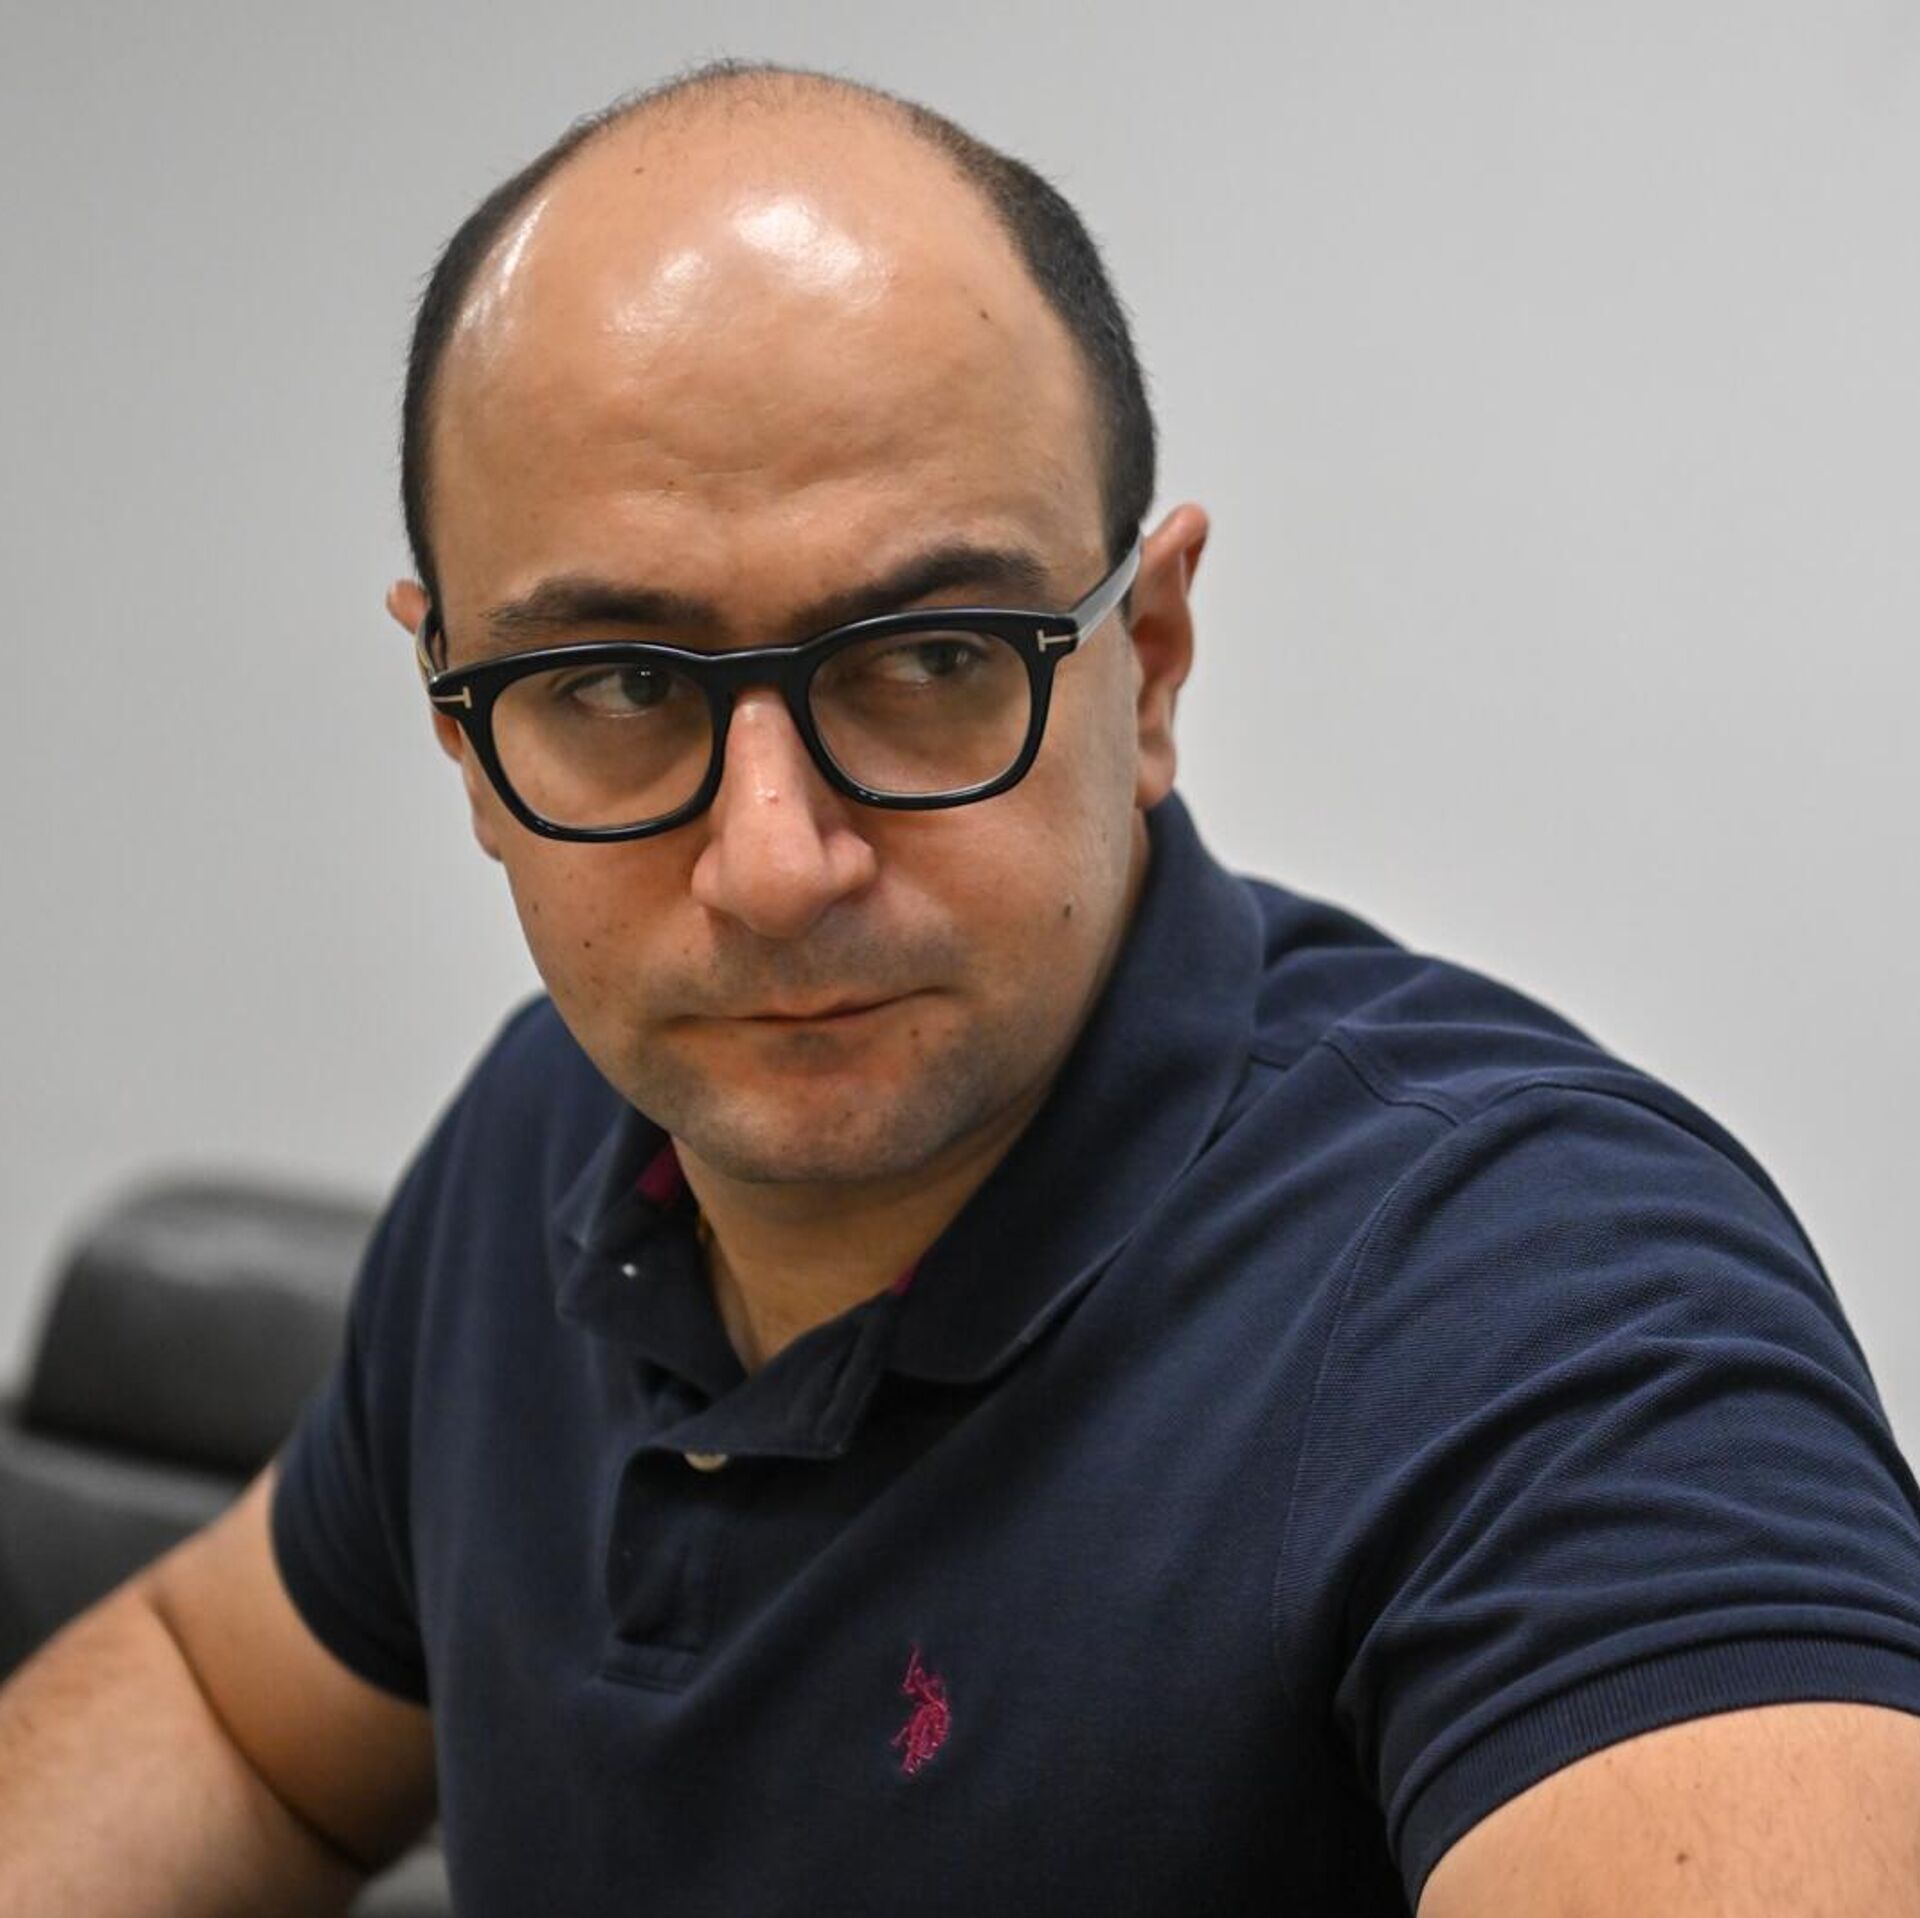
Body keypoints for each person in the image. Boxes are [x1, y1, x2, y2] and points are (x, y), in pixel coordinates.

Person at [4, 60, 1920, 1917]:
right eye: (615, 684)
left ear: (1147, 663)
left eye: (926, 658)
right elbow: (231, 1709)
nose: (773, 864)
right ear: (460, 730)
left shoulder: (1544, 1305)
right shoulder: (556, 1132)